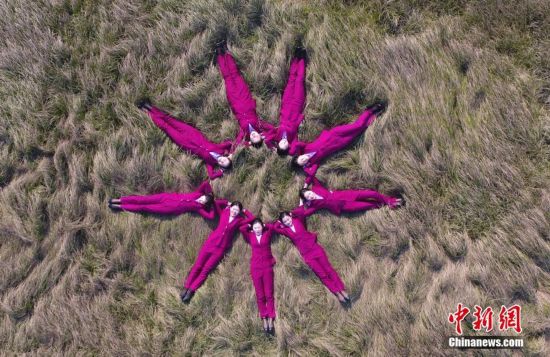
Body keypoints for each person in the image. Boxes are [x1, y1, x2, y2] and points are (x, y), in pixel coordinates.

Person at [136, 99, 233, 180]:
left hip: (184, 142)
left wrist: (221, 172)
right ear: (227, 157)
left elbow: (211, 176)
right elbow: (231, 143)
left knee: (166, 127)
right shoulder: (220, 149)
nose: (221, 162)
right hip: (192, 133)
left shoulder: (210, 163)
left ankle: (148, 112)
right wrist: (232, 152)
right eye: (225, 161)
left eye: (222, 165)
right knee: (170, 120)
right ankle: (150, 107)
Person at [290, 102, 386, 183]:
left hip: (334, 134)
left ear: (300, 155)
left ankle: (370, 110)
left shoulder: (305, 148)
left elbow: (296, 144)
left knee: (357, 126)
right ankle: (374, 115)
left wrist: (292, 152)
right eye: (303, 162)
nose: (303, 159)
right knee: (361, 129)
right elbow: (311, 174)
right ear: (304, 165)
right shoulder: (314, 162)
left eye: (301, 158)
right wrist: (306, 178)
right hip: (340, 143)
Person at [181, 201, 254, 303]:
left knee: (205, 271)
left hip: (220, 249)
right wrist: (227, 203)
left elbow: (252, 219)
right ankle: (186, 287)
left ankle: (191, 291)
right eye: (233, 208)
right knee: (198, 265)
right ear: (230, 208)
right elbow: (216, 202)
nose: (234, 211)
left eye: (237, 210)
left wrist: (244, 210)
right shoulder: (224, 212)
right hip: (209, 244)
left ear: (239, 212)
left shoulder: (239, 220)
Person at [272, 210, 350, 305]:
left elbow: (300, 211)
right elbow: (275, 228)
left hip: (315, 248)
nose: (288, 222)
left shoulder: (298, 220)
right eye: (285, 221)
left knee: (329, 270)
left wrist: (292, 213)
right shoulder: (286, 231)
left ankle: (342, 289)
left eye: (288, 219)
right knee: (322, 275)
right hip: (306, 255)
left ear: (290, 216)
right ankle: (337, 293)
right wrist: (279, 222)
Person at [215, 41, 275, 150]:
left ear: (251, 141)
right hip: (245, 98)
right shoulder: (259, 125)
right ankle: (226, 52)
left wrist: (248, 144)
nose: (254, 136)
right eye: (257, 137)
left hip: (235, 102)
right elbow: (273, 130)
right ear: (260, 136)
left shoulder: (244, 133)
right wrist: (267, 140)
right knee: (235, 74)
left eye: (253, 139)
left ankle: (219, 54)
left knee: (227, 77)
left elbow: (238, 144)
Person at [263, 47, 307, 155]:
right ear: (288, 147)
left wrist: (272, 147)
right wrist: (289, 151)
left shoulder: (276, 136)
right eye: (285, 146)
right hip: (297, 105)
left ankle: (296, 57)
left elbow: (267, 140)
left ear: (278, 145)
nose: (284, 143)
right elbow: (295, 149)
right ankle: (302, 59)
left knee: (291, 80)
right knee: (299, 80)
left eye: (281, 145)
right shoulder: (293, 139)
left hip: (286, 105)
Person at [239, 217, 277, 335]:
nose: (257, 229)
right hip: (255, 267)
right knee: (260, 295)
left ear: (262, 227)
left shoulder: (267, 233)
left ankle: (271, 318)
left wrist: (265, 225)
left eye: (259, 227)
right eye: (255, 228)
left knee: (269, 294)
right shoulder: (250, 236)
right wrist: (250, 226)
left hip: (267, 267)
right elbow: (242, 228)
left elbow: (273, 227)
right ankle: (264, 318)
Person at [297, 177, 404, 216]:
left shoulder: (317, 188)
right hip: (346, 206)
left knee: (373, 194)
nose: (310, 196)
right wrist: (301, 201)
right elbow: (304, 213)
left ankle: (390, 201)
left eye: (309, 193)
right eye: (308, 197)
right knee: (370, 205)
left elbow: (311, 175)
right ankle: (388, 205)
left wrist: (305, 185)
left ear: (310, 190)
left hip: (349, 194)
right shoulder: (315, 205)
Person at [108, 180, 216, 219]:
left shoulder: (199, 208)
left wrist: (214, 205)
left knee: (144, 207)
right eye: (204, 198)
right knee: (143, 199)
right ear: (203, 195)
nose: (202, 200)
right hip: (166, 197)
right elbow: (206, 183)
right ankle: (119, 200)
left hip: (168, 208)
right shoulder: (197, 194)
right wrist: (211, 193)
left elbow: (211, 216)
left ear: (205, 204)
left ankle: (121, 207)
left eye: (204, 201)